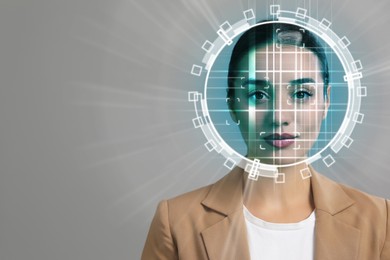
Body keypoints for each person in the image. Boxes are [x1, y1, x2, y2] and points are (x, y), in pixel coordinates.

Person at [141, 21, 390, 260]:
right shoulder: (177, 221)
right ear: (232, 105)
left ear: (326, 101)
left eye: (302, 94)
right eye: (257, 95)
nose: (279, 116)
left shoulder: (379, 219)